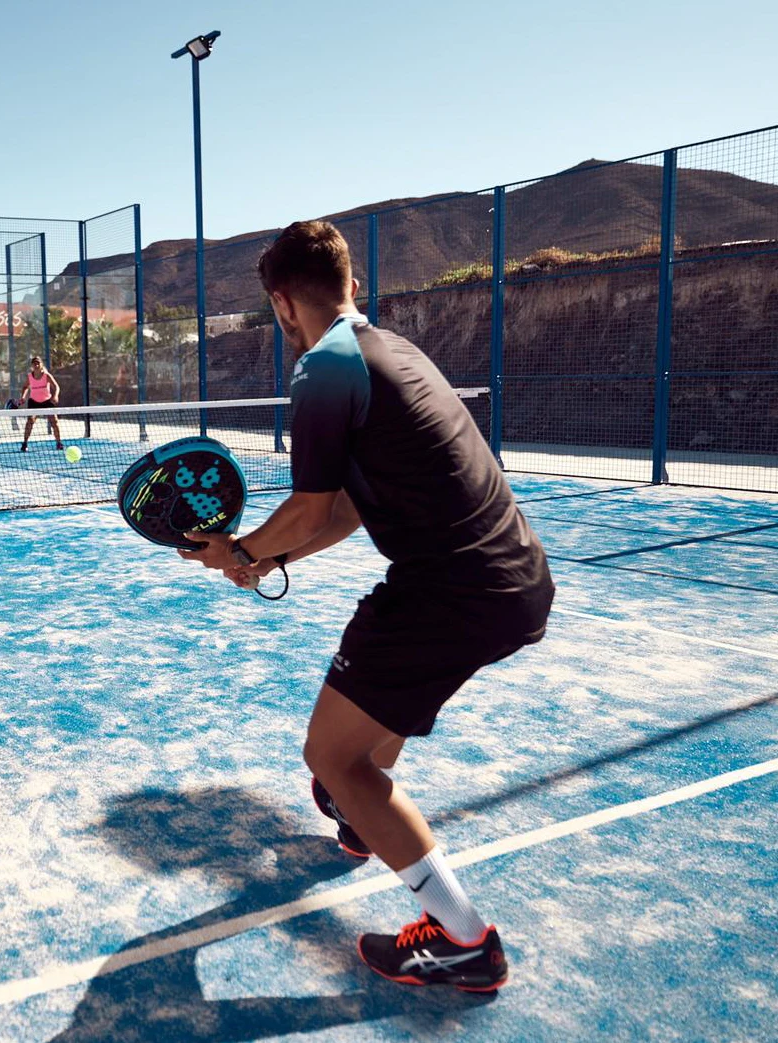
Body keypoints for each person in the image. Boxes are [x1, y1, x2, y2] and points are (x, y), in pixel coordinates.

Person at [179, 221, 554, 992]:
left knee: (333, 758)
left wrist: (242, 552)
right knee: (358, 738)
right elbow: (347, 510)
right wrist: (262, 558)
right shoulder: (394, 350)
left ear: (281, 302)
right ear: (350, 283)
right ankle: (361, 816)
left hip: (446, 591)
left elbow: (311, 505)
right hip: (513, 581)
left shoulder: (323, 370)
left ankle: (462, 940)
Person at [18, 355, 64, 452]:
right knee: (30, 421)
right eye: (34, 363)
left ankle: (59, 443)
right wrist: (23, 397)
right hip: (33, 402)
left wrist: (55, 396)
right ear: (32, 366)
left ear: (41, 364)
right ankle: (25, 443)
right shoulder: (30, 377)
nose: (36, 365)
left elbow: (56, 386)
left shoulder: (46, 376)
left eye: (38, 363)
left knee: (54, 422)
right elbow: (25, 387)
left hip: (47, 401)